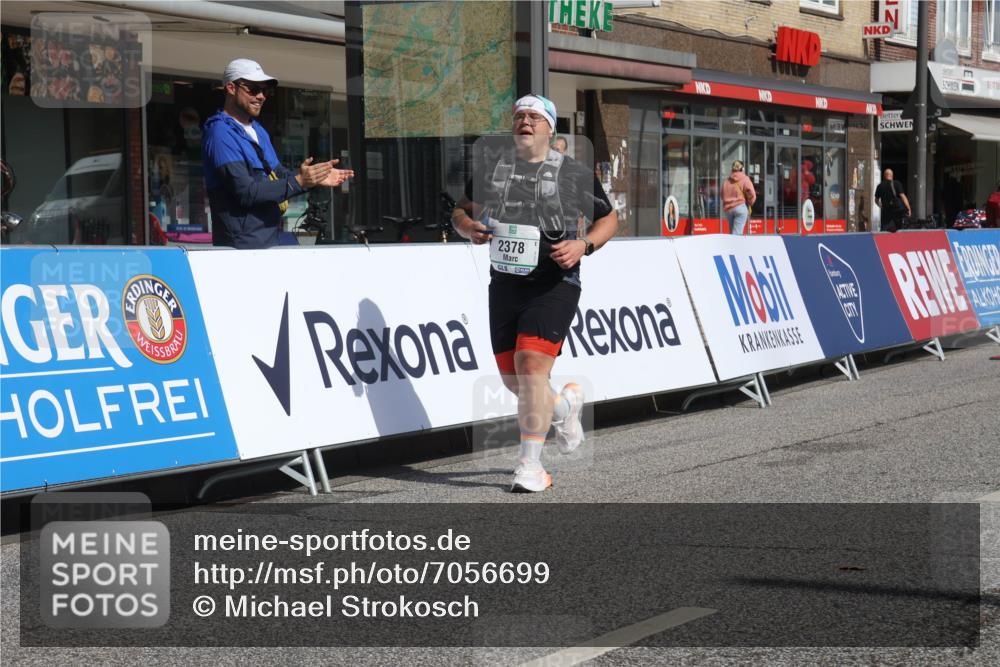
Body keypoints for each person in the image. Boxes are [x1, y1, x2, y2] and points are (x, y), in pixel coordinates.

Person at [452, 94, 617, 493]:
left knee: (530, 368)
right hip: (506, 283)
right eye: (519, 117)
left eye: (534, 117)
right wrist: (467, 226)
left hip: (554, 282)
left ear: (549, 128)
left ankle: (530, 466)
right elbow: (460, 211)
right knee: (517, 382)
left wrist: (584, 246)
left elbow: (609, 218)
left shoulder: (573, 173)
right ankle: (563, 408)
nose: (524, 122)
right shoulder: (493, 171)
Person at [202, 58, 354, 249]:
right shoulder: (219, 133)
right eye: (253, 89)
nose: (261, 96)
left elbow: (279, 176)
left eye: (264, 90)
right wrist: (299, 182)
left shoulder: (257, 130)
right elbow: (245, 192)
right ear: (231, 88)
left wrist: (313, 178)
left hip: (269, 239)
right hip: (240, 247)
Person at [721, 160, 755, 235]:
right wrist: (750, 202)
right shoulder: (745, 179)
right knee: (736, 234)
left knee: (733, 232)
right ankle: (735, 246)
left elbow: (722, 195)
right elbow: (752, 194)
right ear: (742, 169)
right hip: (740, 207)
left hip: (728, 209)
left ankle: (732, 246)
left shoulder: (726, 181)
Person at [874, 168, 911, 233]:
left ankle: (883, 241)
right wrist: (908, 208)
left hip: (886, 210)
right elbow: (903, 196)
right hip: (897, 211)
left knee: (884, 229)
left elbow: (876, 200)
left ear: (884, 175)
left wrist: (881, 205)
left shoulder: (880, 186)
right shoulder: (896, 183)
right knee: (900, 228)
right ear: (892, 175)